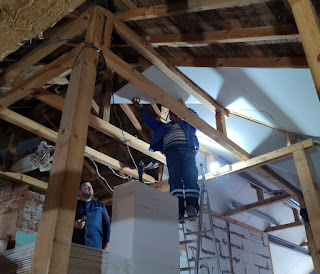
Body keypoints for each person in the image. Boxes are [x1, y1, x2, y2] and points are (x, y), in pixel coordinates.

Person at [132, 98, 200, 219]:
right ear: (169, 116)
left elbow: (194, 116)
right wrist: (141, 108)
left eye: (178, 113)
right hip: (172, 154)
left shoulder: (189, 124)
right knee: (175, 180)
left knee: (190, 177)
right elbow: (150, 122)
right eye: (173, 113)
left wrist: (183, 107)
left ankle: (192, 206)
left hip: (188, 151)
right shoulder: (163, 127)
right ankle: (178, 209)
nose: (176, 115)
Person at [72, 181, 111, 250]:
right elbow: (62, 222)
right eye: (86, 187)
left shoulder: (100, 206)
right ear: (79, 192)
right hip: (76, 245)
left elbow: (107, 225)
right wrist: (74, 224)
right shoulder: (73, 205)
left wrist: (107, 244)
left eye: (91, 186)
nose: (90, 188)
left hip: (95, 245)